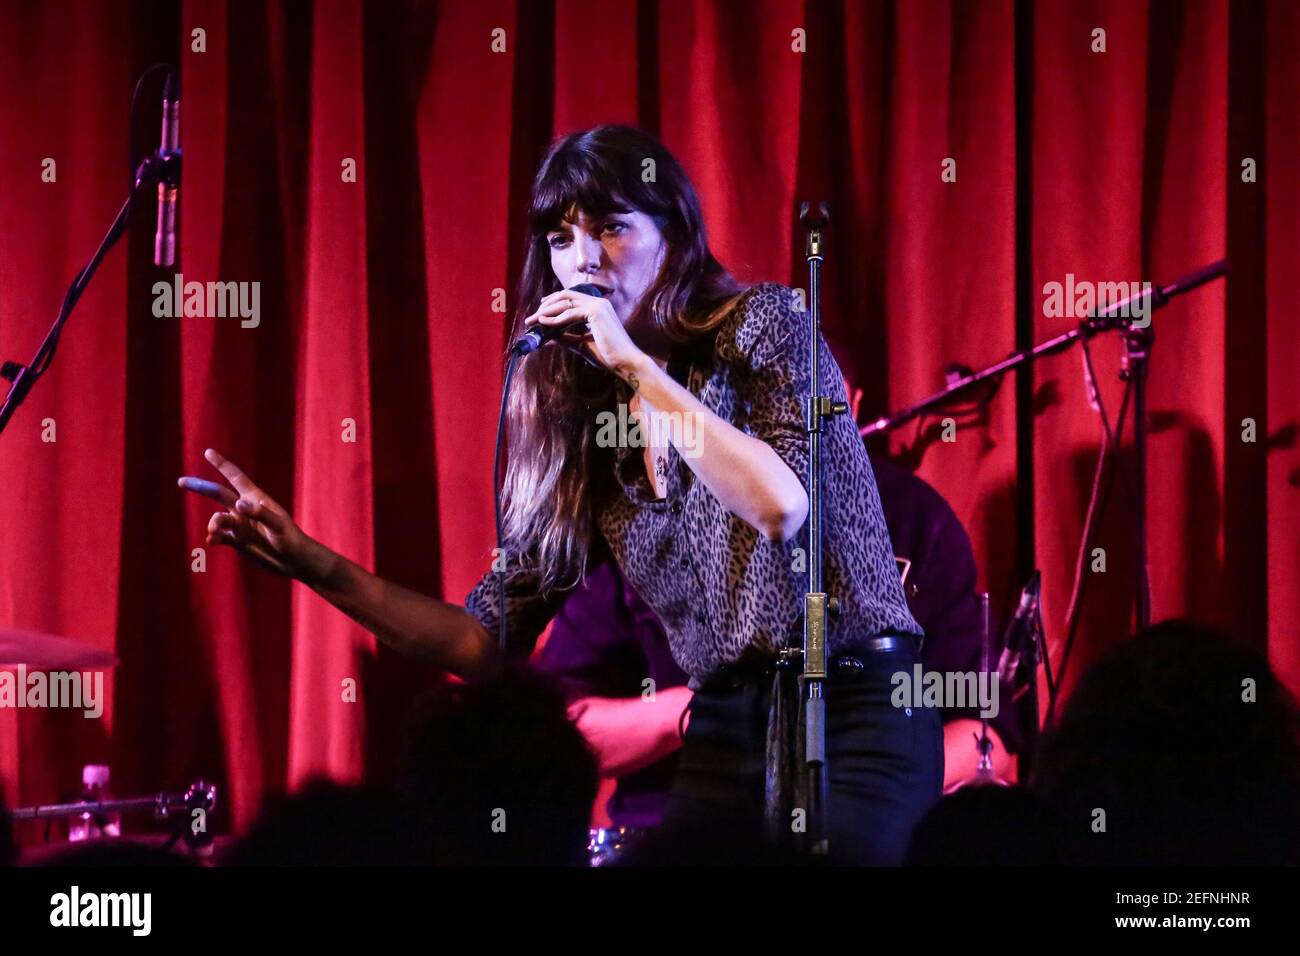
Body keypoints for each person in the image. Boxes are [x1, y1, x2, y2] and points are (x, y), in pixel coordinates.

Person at [179, 124, 940, 864]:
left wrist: (639, 367)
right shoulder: (588, 426)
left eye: (610, 228)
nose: (583, 262)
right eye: (561, 239)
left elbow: (781, 507)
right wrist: (316, 564)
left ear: (674, 232)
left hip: (854, 705)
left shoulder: (766, 324)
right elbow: (484, 640)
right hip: (724, 722)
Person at [537, 455, 1018, 833]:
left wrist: (861, 784)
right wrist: (704, 711)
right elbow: (562, 733)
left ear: (851, 399)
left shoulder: (913, 517)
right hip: (679, 839)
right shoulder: (647, 515)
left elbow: (986, 736)